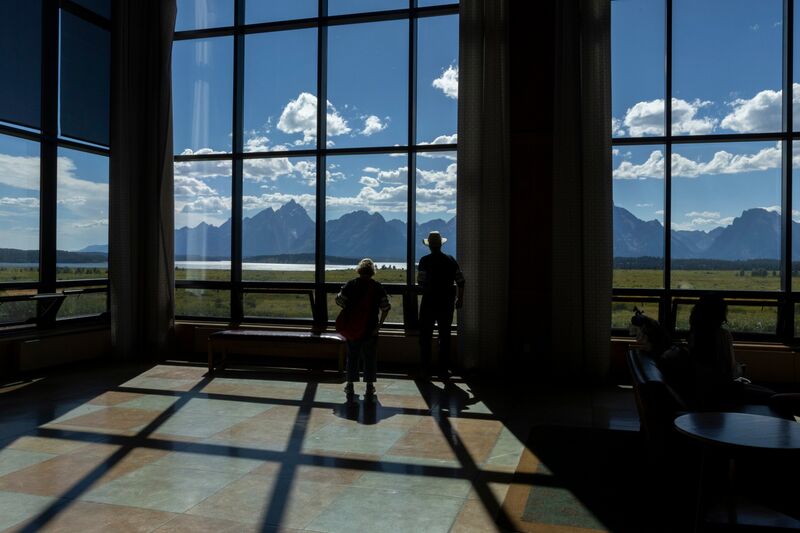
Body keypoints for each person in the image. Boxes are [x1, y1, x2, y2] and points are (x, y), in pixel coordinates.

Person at [335, 258, 391, 401]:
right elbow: (385, 307)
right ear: (372, 271)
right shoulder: (377, 287)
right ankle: (369, 386)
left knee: (352, 356)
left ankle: (350, 385)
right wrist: (379, 327)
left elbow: (340, 301)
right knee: (370, 357)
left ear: (359, 270)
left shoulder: (350, 285)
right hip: (370, 328)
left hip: (353, 328)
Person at [417, 231, 465, 377]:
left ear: (429, 246)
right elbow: (461, 281)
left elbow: (421, 282)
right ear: (441, 244)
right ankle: (443, 370)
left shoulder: (424, 261)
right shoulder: (450, 260)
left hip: (429, 303)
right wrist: (460, 299)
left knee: (425, 336)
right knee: (445, 336)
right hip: (447, 303)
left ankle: (425, 369)